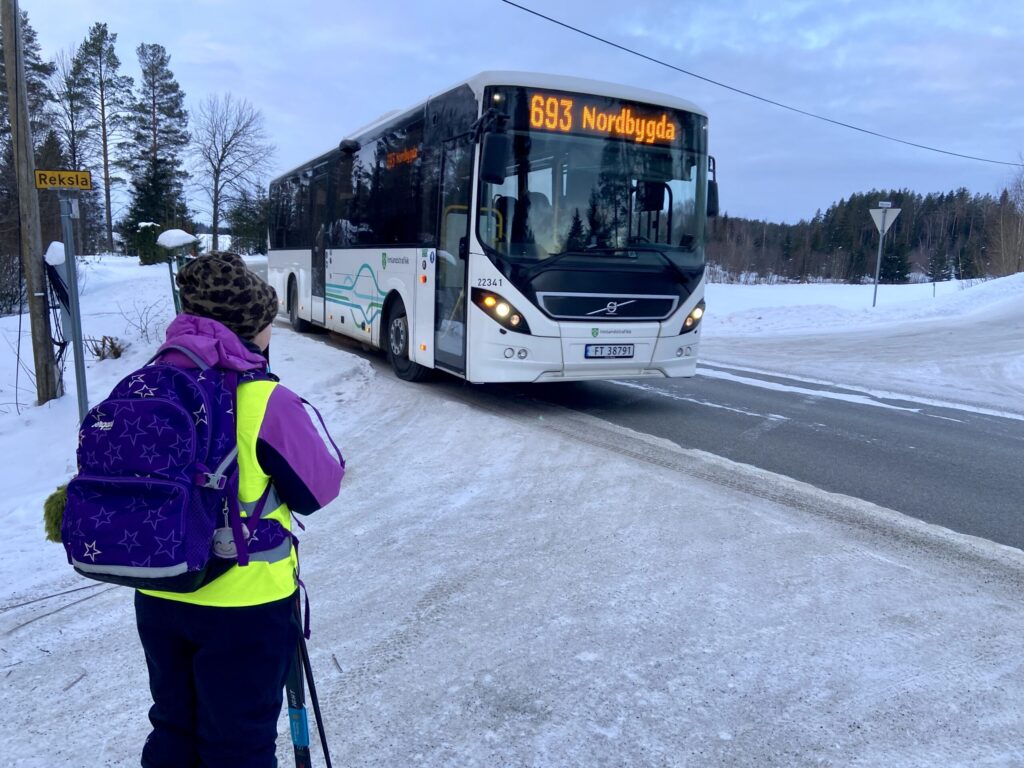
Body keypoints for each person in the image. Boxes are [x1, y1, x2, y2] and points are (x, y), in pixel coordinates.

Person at [134, 252, 344, 768]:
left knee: (173, 727)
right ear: (252, 328)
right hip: (246, 603)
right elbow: (316, 492)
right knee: (238, 744)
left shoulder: (145, 386)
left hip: (158, 589)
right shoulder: (266, 400)